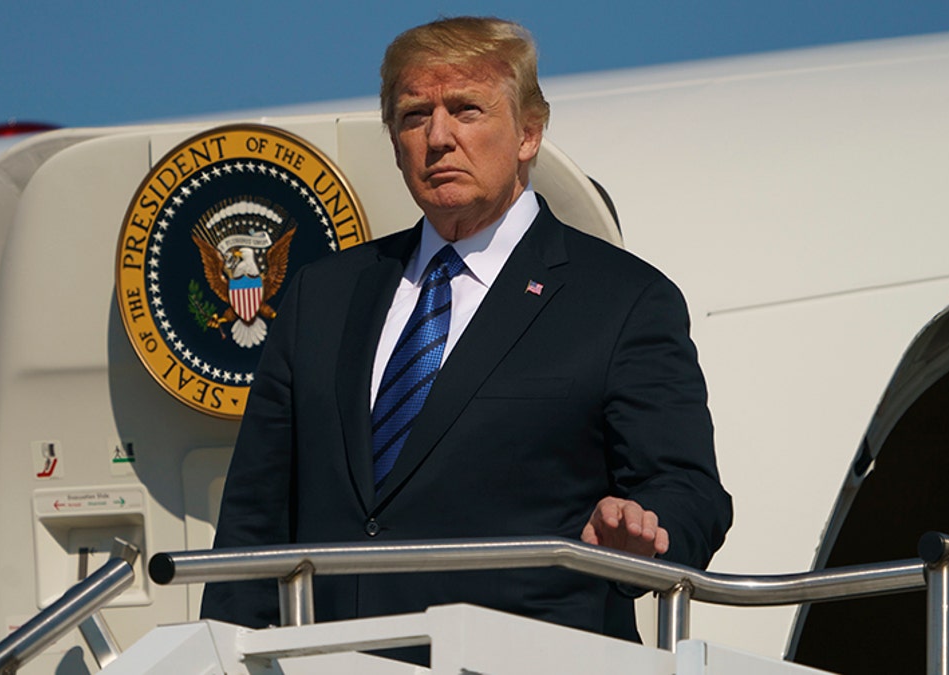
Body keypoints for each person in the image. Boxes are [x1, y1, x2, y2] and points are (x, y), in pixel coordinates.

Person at [201, 15, 732, 644]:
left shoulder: (623, 300)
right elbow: (254, 520)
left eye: (467, 109)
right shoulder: (325, 293)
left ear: (529, 132)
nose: (438, 137)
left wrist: (646, 533)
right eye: (413, 115)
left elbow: (690, 489)